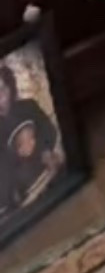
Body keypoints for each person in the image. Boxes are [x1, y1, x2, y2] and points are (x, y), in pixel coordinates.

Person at [0, 60, 60, 208]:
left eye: (1, 90)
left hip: (47, 173)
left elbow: (49, 130)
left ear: (10, 87)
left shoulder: (28, 106)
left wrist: (44, 149)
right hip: (21, 196)